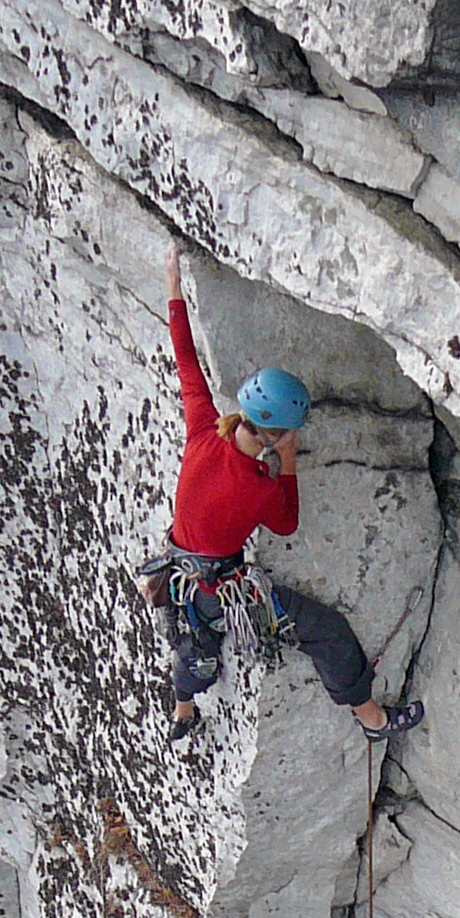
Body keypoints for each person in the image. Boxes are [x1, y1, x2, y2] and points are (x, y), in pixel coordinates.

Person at [147, 243, 425, 748]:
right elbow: (287, 522)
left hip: (182, 576)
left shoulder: (203, 429)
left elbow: (185, 360)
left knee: (196, 642)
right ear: (278, 434)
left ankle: (183, 708)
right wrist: (288, 464)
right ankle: (373, 719)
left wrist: (173, 283)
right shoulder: (256, 486)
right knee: (328, 632)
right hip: (222, 590)